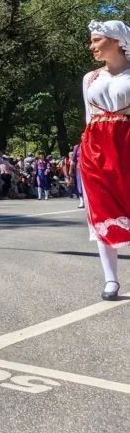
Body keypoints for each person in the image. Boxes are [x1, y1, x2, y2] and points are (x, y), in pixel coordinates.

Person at [79, 20, 130, 299]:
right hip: (95, 150)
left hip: (126, 145)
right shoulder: (90, 78)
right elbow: (89, 117)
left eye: (97, 40)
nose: (92, 46)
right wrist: (83, 149)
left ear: (116, 40)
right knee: (100, 211)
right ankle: (111, 280)